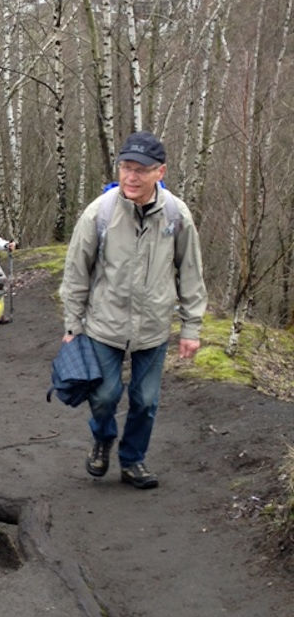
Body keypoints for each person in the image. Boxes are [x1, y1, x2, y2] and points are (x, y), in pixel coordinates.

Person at [59, 131, 207, 489]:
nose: (131, 176)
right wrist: (73, 325)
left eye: (141, 169)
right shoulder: (99, 213)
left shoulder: (176, 215)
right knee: (104, 395)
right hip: (104, 323)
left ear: (160, 172)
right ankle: (103, 438)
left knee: (146, 400)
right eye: (126, 167)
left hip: (153, 325)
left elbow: (190, 272)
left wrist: (191, 328)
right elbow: (76, 273)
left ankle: (133, 460)